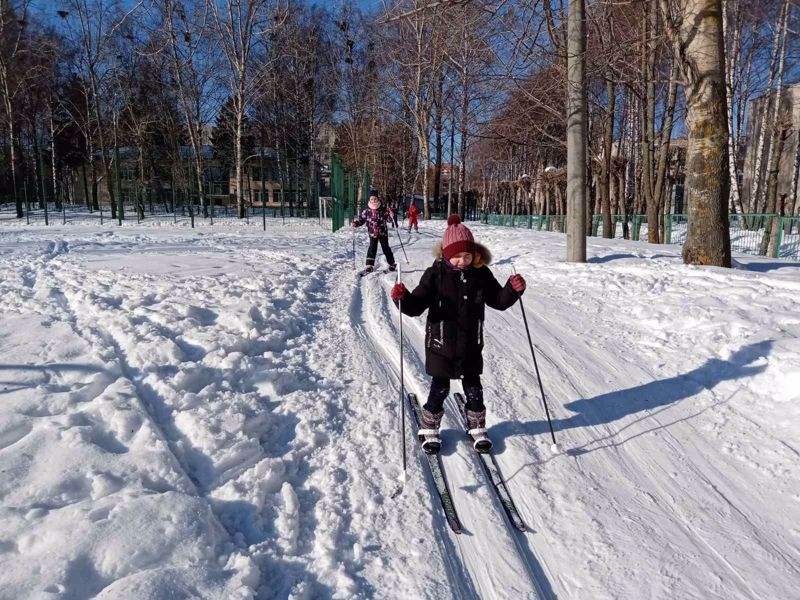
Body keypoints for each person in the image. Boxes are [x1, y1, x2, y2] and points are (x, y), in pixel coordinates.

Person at [390, 215, 525, 454]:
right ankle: (429, 424)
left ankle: (476, 424)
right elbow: (416, 305)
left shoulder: (481, 274)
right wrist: (403, 299)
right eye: (457, 256)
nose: (463, 261)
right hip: (441, 344)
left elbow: (498, 300)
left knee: (474, 387)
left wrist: (512, 291)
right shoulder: (435, 275)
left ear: (475, 254)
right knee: (439, 387)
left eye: (467, 256)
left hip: (472, 345)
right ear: (445, 254)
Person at [352, 191, 396, 273]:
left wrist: (391, 215)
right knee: (372, 248)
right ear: (369, 200)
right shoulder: (367, 211)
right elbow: (361, 219)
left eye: (375, 199)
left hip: (383, 232)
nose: (374, 200)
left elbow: (389, 220)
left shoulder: (383, 210)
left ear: (378, 199)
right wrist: (356, 223)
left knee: (386, 248)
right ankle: (369, 265)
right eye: (372, 199)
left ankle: (392, 263)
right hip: (372, 233)